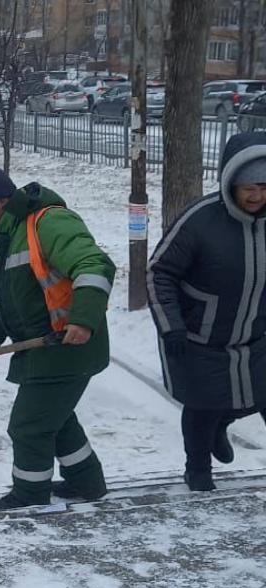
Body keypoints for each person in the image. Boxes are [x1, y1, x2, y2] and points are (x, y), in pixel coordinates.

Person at [0, 165, 116, 512]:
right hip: (42, 349)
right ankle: (86, 481)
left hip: (69, 346)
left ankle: (30, 494)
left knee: (29, 426)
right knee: (54, 420)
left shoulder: (48, 223)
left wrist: (84, 319)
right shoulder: (3, 238)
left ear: (1, 201)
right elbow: (1, 304)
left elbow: (95, 265)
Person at [147, 132, 266, 492]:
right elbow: (159, 272)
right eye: (248, 187)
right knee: (202, 406)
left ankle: (221, 423)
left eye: (264, 186)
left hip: (258, 336)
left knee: (260, 396)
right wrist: (172, 326)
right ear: (230, 183)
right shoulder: (199, 220)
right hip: (201, 337)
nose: (257, 196)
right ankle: (197, 470)